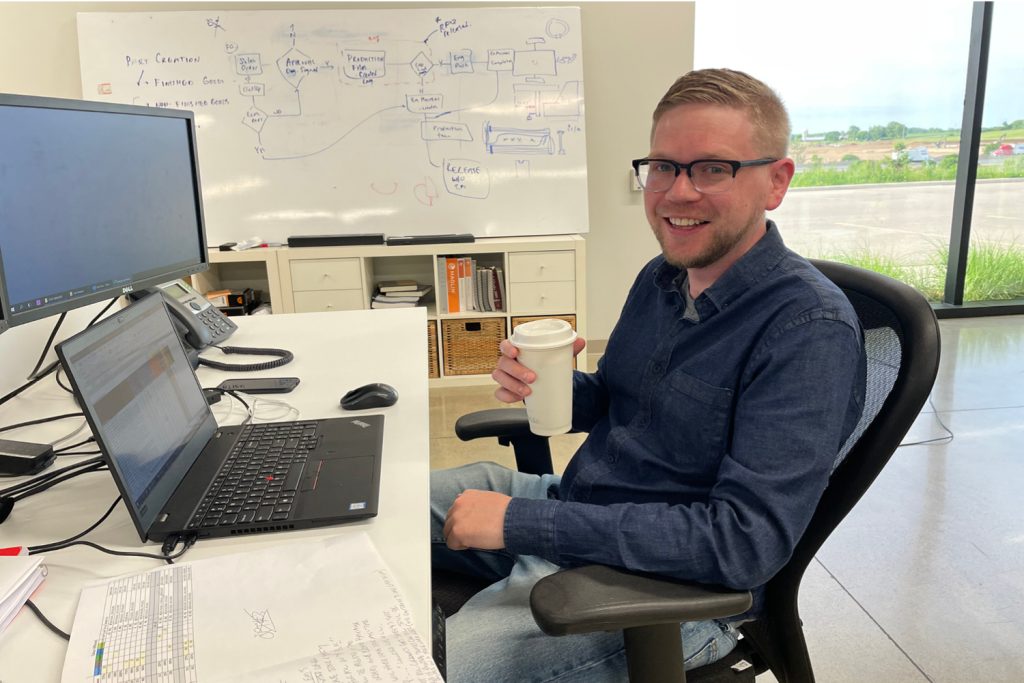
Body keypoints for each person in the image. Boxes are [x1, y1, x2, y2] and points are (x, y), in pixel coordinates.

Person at [431, 68, 866, 681]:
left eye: (713, 168)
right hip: (582, 511)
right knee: (380, 508)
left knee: (432, 665)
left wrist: (522, 523)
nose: (677, 193)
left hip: (664, 591)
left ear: (776, 181)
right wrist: (553, 389)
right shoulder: (661, 278)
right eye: (663, 167)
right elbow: (618, 400)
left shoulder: (807, 330)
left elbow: (742, 545)